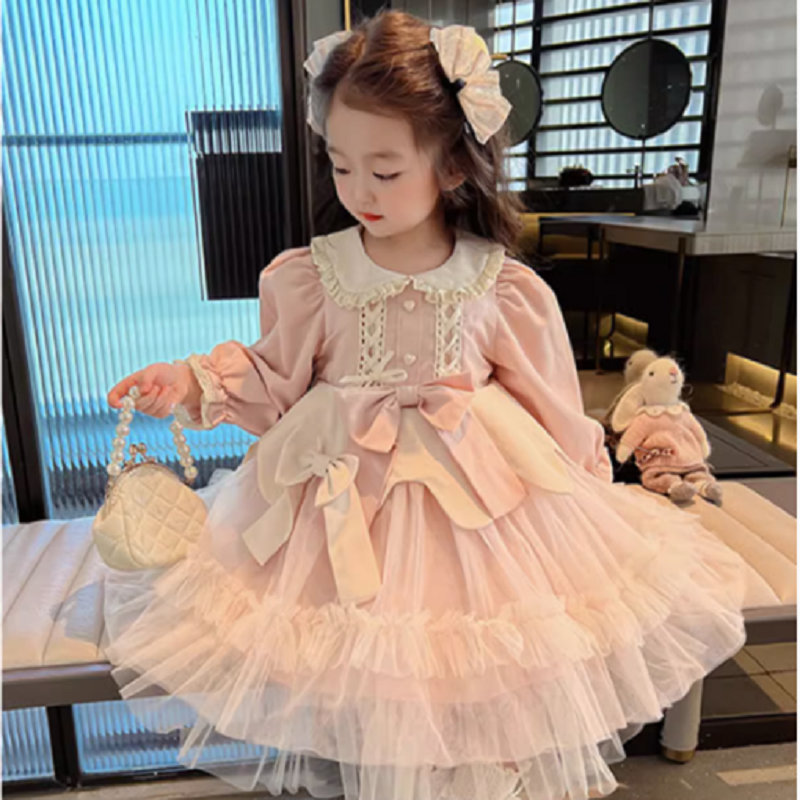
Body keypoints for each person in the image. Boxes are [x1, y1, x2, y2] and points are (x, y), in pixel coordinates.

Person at [103, 11, 747, 800]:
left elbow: (550, 404)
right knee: (373, 686)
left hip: (485, 515)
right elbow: (273, 381)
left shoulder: (501, 285)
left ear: (450, 165)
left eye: (385, 170)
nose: (358, 191)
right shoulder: (311, 275)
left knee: (489, 682)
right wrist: (186, 379)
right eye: (341, 166)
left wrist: (590, 490)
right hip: (343, 510)